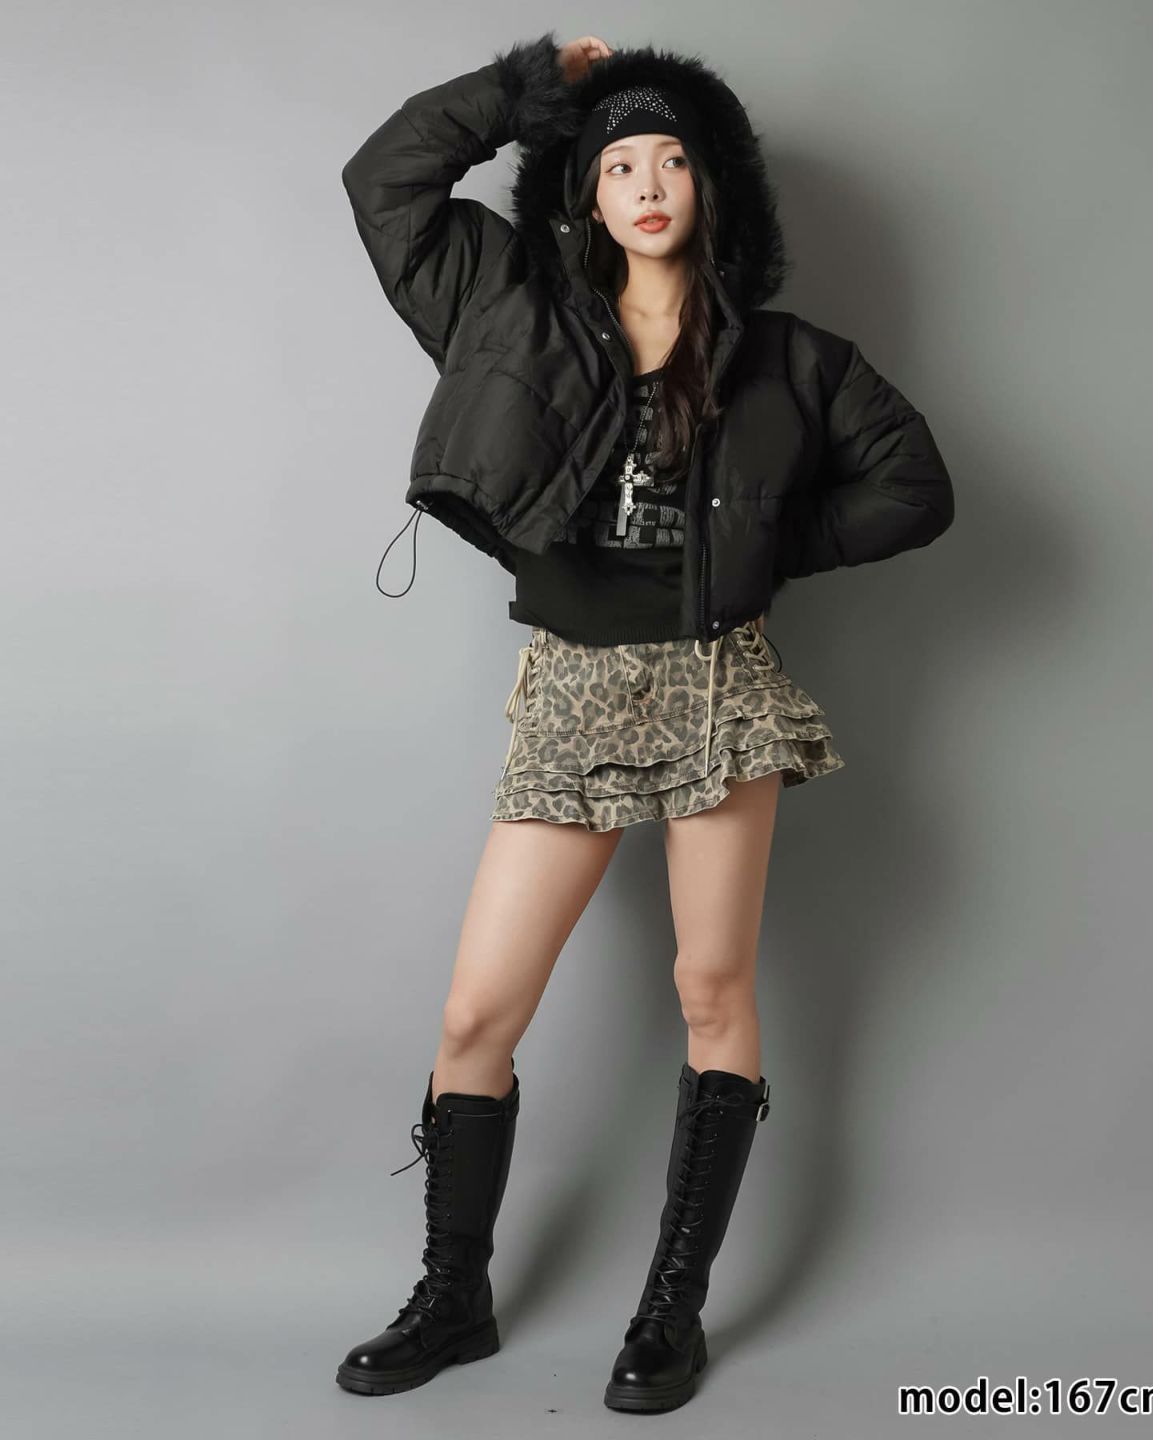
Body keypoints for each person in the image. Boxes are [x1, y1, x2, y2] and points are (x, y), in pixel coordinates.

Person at [335, 32, 954, 1412]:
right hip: (572, 681)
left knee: (711, 991)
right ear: (587, 192)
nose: (651, 183)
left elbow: (917, 487)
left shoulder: (789, 360)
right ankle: (453, 1298)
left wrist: (760, 549)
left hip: (715, 683)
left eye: (675, 159)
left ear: (713, 188)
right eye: (621, 163)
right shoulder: (505, 306)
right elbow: (384, 183)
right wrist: (518, 92)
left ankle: (671, 1312)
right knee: (477, 1011)